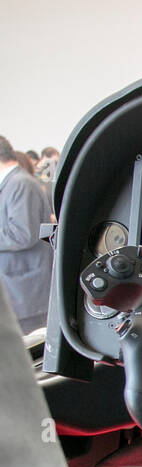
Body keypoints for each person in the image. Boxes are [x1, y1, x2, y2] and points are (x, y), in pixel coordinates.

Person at [0, 135, 55, 333]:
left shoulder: (19, 184)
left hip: (26, 291)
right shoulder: (12, 183)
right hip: (18, 288)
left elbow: (23, 234)